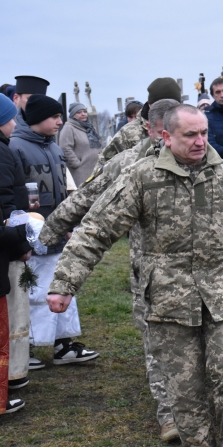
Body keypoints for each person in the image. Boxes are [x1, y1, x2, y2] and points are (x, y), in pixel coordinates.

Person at [46, 104, 223, 446]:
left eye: (204, 133)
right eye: (190, 135)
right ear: (166, 136)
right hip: (169, 302)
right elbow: (96, 230)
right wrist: (64, 283)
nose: (200, 141)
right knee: (185, 391)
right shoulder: (142, 177)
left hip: (222, 297)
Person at [39, 98, 181, 442]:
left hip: (200, 275)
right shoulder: (129, 162)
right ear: (151, 129)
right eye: (164, 131)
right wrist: (43, 236)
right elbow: (84, 200)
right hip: (151, 274)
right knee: (157, 342)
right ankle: (170, 415)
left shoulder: (205, 161)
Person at [9, 87, 100, 365]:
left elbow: (63, 191)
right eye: (55, 117)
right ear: (38, 117)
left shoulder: (54, 147)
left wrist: (68, 224)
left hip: (58, 232)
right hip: (32, 233)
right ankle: (28, 347)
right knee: (34, 291)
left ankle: (64, 344)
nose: (60, 122)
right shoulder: (16, 147)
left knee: (61, 286)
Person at [0, 93, 30, 413]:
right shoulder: (2, 153)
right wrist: (21, 244)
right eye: (10, 118)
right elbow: (6, 204)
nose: (14, 123)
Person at [99, 78, 182, 165]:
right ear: (150, 105)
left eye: (172, 106)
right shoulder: (127, 133)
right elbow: (104, 164)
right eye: (159, 105)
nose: (165, 109)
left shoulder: (188, 128)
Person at [58, 103, 102, 186]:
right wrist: (76, 164)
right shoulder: (69, 128)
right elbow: (65, 147)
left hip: (95, 169)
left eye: (84, 111)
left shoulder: (90, 128)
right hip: (80, 172)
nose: (83, 114)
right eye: (79, 112)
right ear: (73, 115)